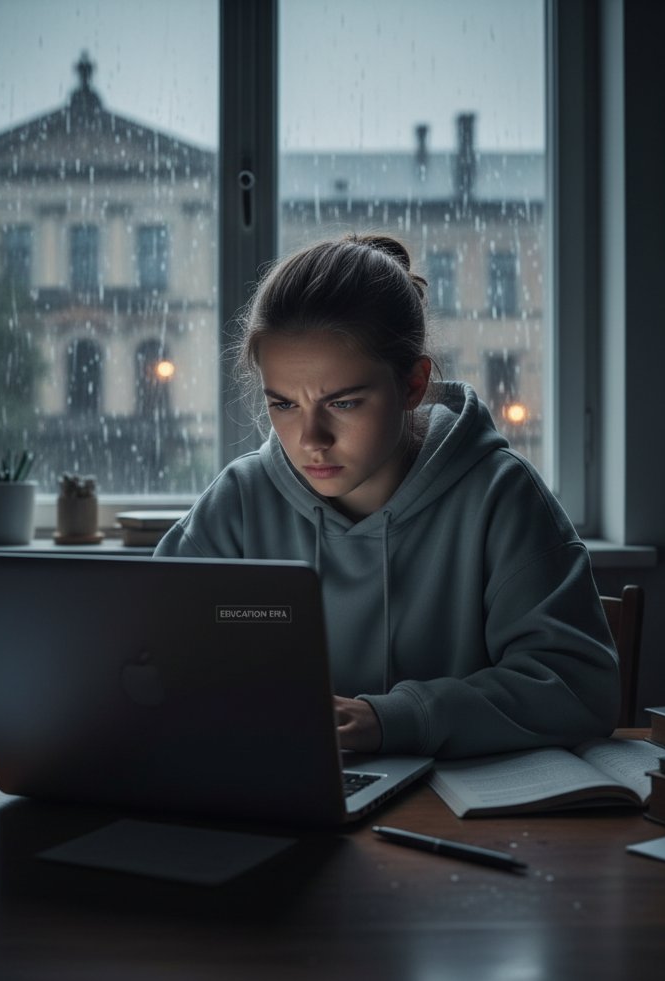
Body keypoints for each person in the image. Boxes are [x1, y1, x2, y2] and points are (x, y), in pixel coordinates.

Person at [155, 233, 619, 758]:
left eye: (345, 403)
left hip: (460, 816)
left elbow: (581, 690)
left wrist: (393, 718)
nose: (311, 439)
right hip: (278, 792)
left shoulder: (501, 495)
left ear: (414, 384)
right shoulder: (238, 499)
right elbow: (151, 660)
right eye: (283, 404)